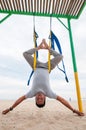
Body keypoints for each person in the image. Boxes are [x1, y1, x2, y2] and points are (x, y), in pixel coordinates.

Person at [2, 39, 84, 116]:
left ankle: (39, 47)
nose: (39, 97)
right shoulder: (49, 93)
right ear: (45, 98)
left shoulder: (32, 93)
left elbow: (20, 99)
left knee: (25, 54)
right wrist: (73, 110)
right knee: (60, 57)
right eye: (41, 99)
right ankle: (48, 48)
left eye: (38, 99)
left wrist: (10, 109)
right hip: (48, 67)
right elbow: (62, 100)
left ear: (35, 99)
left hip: (36, 65)